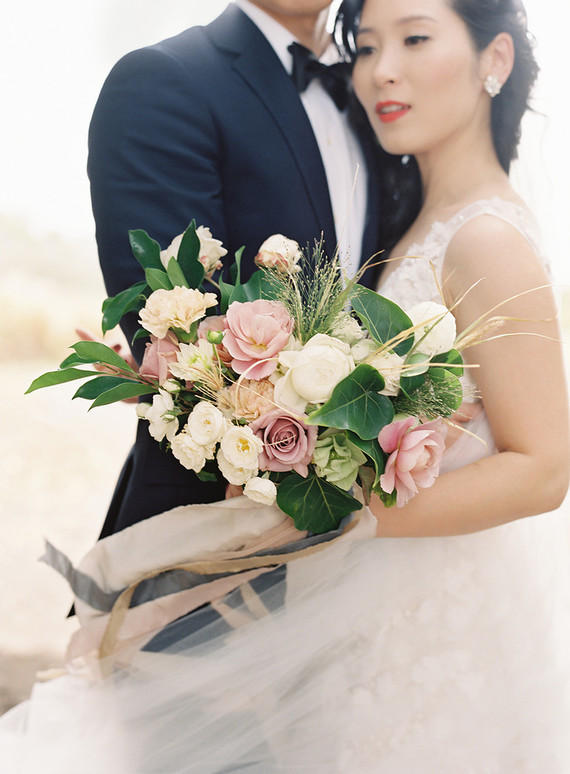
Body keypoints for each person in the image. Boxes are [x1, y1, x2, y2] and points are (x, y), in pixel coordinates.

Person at [1, 0, 569, 771]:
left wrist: (335, 511)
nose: (383, 69)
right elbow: (169, 341)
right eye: (368, 47)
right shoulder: (173, 86)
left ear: (493, 60)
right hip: (236, 597)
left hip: (412, 607)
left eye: (415, 39)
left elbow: (543, 462)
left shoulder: (481, 231)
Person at [88, 0, 384, 538]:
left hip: (379, 542)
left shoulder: (384, 92)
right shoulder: (161, 83)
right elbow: (181, 348)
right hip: (209, 535)